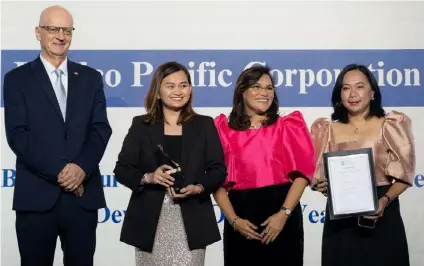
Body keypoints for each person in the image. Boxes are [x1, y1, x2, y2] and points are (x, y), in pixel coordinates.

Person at [2, 5, 112, 266]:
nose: (60, 36)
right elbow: (18, 135)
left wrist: (81, 168)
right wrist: (62, 172)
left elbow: (100, 129)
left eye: (67, 30)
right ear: (38, 32)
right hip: (37, 197)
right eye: (53, 29)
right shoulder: (17, 79)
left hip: (82, 197)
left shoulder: (91, 78)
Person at [113, 61, 227, 266]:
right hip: (150, 223)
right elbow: (122, 170)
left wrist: (199, 187)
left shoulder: (204, 124)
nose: (178, 91)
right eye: (170, 85)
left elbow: (218, 170)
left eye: (183, 85)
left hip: (193, 221)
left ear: (190, 90)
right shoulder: (141, 125)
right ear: (158, 91)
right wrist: (148, 177)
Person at [311, 63, 415, 266]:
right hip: (340, 221)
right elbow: (316, 176)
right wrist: (320, 185)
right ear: (339, 94)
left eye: (360, 86)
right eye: (346, 88)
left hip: (383, 213)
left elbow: (404, 176)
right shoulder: (326, 129)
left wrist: (384, 200)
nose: (353, 94)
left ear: (372, 92)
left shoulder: (391, 124)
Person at [212, 65, 316, 266]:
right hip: (240, 218)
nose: (264, 93)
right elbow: (216, 182)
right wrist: (234, 221)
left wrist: (283, 215)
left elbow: (302, 175)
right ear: (242, 91)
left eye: (269, 88)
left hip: (282, 216)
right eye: (257, 87)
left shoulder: (287, 126)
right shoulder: (223, 129)